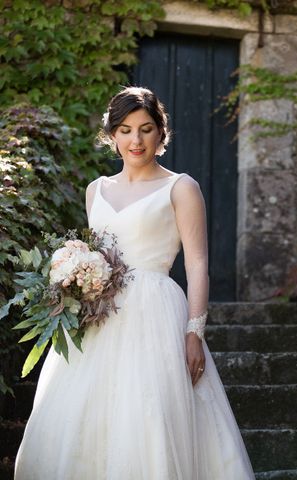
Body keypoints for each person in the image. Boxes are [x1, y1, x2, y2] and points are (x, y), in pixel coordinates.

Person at [14, 86, 255, 479]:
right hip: (99, 317)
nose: (135, 140)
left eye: (145, 129)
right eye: (125, 130)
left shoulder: (181, 187)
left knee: (150, 414)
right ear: (112, 135)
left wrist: (194, 333)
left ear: (161, 134)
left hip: (155, 312)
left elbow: (197, 264)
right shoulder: (96, 191)